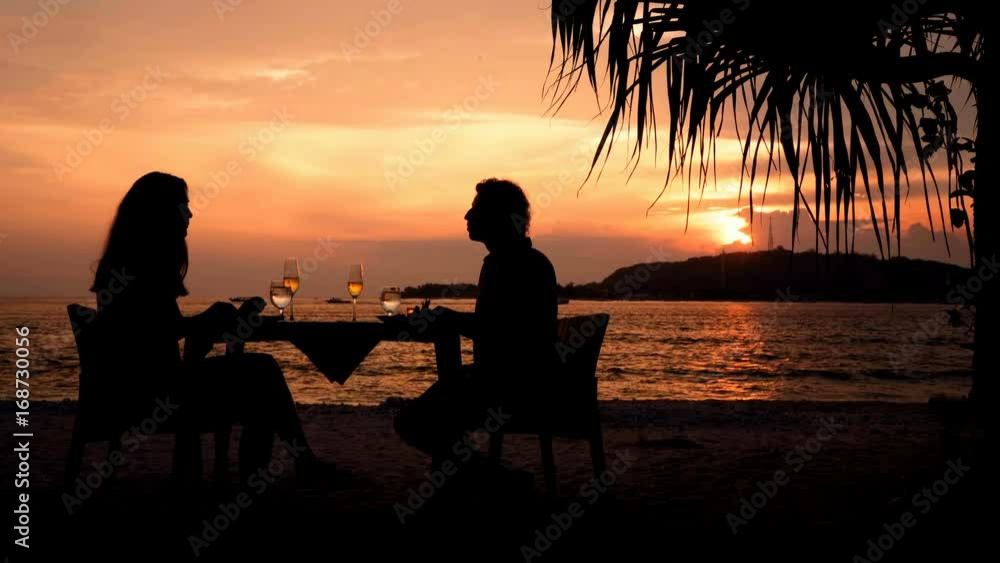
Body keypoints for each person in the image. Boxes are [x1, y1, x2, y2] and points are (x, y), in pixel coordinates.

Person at [90, 171, 335, 484]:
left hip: (140, 388)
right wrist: (207, 320)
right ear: (158, 213)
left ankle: (275, 472)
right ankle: (291, 466)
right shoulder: (137, 269)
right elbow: (154, 334)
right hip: (147, 396)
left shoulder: (131, 263)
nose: (190, 213)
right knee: (263, 372)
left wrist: (209, 321)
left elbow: (162, 331)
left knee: (260, 380)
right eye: (183, 206)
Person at [394, 178, 559, 471]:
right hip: (499, 380)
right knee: (432, 411)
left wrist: (449, 319)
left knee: (412, 421)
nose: (467, 216)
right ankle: (484, 481)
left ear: (499, 217)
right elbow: (494, 324)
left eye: (476, 209)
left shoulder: (525, 265)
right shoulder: (498, 263)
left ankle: (495, 480)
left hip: (516, 388)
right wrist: (449, 319)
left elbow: (502, 329)